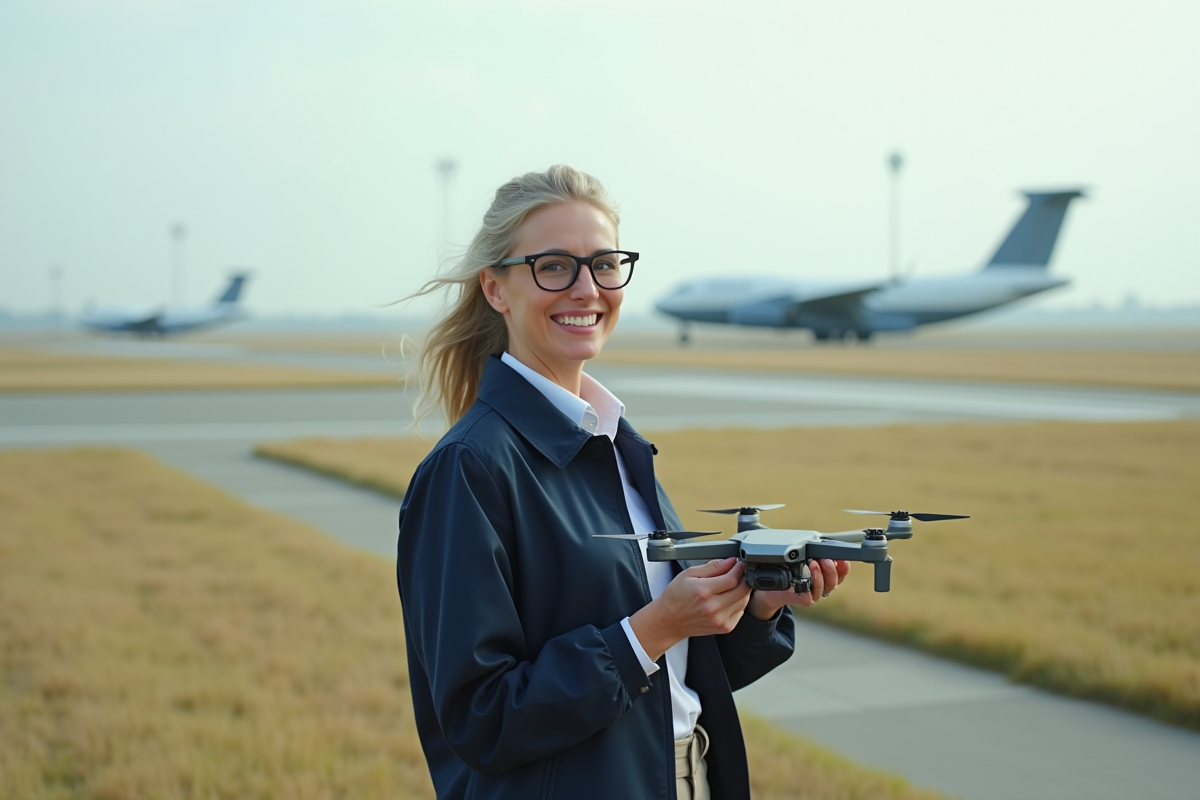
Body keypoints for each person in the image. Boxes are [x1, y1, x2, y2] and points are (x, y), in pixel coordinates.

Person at [396, 165, 850, 800]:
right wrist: (653, 629)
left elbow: (674, 678)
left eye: (604, 264)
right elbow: (481, 719)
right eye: (553, 266)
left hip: (687, 777)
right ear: (495, 289)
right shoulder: (470, 468)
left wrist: (756, 610)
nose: (586, 289)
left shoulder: (616, 445)